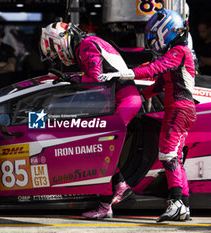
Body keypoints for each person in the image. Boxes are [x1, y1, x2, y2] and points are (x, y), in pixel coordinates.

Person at [99, 9, 196, 222]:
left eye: (154, 35)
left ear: (165, 32)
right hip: (179, 108)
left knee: (168, 155)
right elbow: (161, 82)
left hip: (179, 108)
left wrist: (126, 73)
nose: (152, 41)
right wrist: (139, 97)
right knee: (174, 157)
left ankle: (177, 203)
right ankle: (184, 205)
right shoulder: (178, 52)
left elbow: (155, 69)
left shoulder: (179, 51)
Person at [40, 22, 142, 219]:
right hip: (121, 98)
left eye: (55, 49)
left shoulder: (86, 46)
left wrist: (72, 80)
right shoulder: (88, 43)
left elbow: (96, 80)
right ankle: (119, 187)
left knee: (100, 152)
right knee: (101, 150)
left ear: (61, 42)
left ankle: (108, 202)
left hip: (123, 100)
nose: (58, 54)